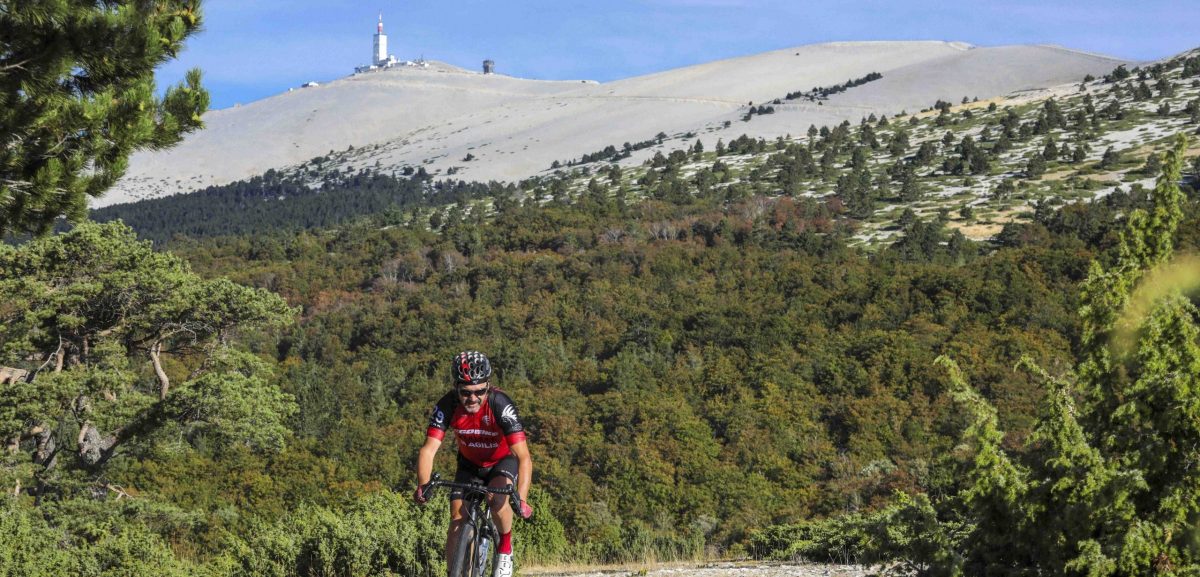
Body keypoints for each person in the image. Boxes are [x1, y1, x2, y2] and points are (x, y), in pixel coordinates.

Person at [415, 351, 533, 577]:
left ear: (488, 386)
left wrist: (522, 499)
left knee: (496, 499)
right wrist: (423, 485)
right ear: (456, 388)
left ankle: (505, 548)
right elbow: (428, 450)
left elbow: (524, 457)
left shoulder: (500, 404)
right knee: (457, 522)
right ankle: (456, 572)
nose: (473, 398)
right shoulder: (447, 405)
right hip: (469, 465)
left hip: (501, 461)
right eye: (466, 393)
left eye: (480, 391)